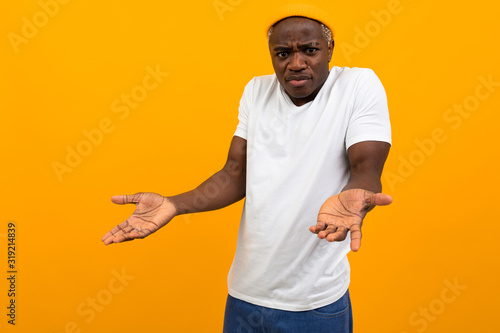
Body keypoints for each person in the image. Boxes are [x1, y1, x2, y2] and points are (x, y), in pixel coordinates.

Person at [101, 3, 392, 332]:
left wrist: (356, 196)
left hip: (313, 302)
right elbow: (235, 174)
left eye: (309, 50)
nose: (296, 63)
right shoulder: (256, 90)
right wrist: (173, 204)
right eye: (283, 53)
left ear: (329, 49)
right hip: (244, 294)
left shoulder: (358, 85)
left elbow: (366, 166)